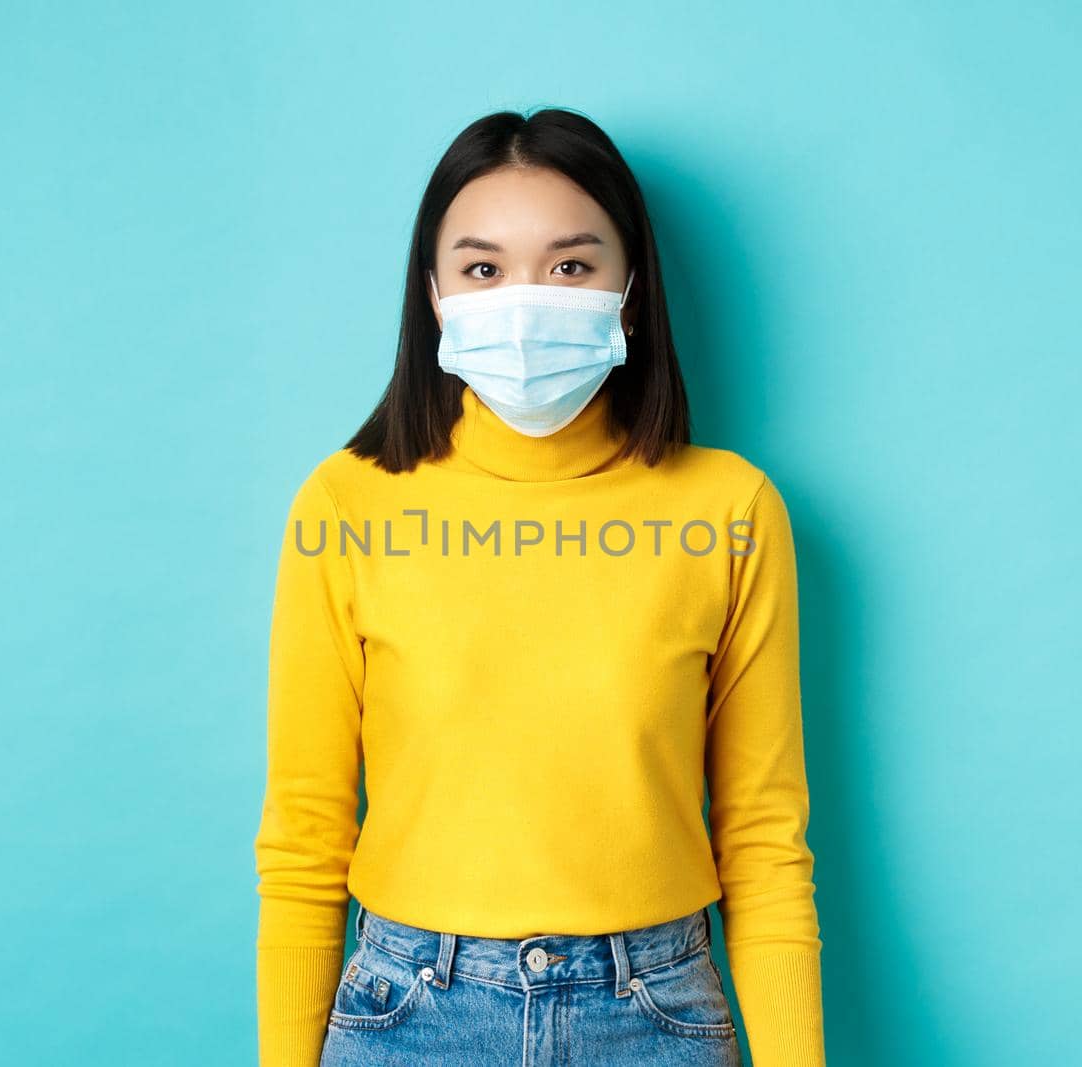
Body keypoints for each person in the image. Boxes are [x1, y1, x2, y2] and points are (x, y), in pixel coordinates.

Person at [254, 106, 825, 1066]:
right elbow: (304, 833)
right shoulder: (346, 501)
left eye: (571, 265)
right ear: (435, 294)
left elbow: (765, 839)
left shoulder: (732, 508)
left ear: (630, 290)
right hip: (407, 1010)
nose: (526, 298)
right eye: (484, 268)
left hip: (657, 1012)